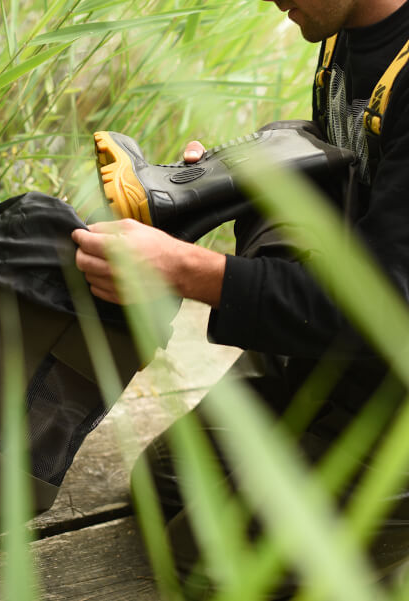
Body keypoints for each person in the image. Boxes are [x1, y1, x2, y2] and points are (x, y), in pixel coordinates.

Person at [71, 0, 409, 598]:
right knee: (163, 489)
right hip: (344, 358)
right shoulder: (341, 39)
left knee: (210, 570)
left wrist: (187, 271)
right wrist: (230, 187)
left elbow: (386, 306)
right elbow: (354, 197)